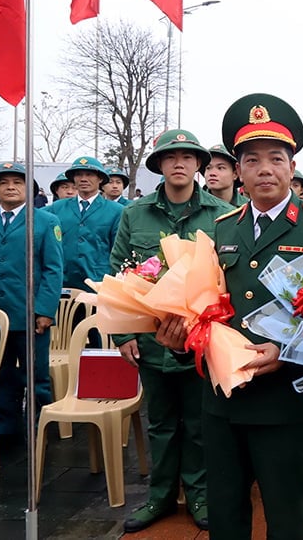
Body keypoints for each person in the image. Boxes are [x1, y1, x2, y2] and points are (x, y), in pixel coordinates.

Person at [155, 93, 303, 540]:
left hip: (288, 401)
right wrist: (180, 337)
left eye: (276, 158)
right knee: (225, 513)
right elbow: (206, 310)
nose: (265, 169)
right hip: (222, 402)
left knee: (286, 516)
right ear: (237, 171)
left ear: (292, 167)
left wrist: (289, 349)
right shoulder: (220, 230)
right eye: (252, 159)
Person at [110, 129, 232, 533]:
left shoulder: (221, 214)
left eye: (187, 156)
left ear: (199, 164)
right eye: (170, 156)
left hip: (201, 341)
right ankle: (160, 495)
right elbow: (119, 273)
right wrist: (123, 335)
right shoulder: (135, 213)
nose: (179, 163)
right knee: (160, 422)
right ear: (159, 165)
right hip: (151, 340)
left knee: (199, 424)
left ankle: (198, 494)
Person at [0, 162, 63, 455]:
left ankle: (40, 425)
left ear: (28, 189)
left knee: (36, 373)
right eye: (3, 182)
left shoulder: (45, 221)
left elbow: (53, 269)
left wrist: (45, 310)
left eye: (17, 182)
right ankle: (4, 430)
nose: (10, 187)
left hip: (29, 314)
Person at [47, 157, 123, 292]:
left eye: (89, 174)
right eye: (78, 175)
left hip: (98, 284)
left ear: (100, 179)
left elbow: (117, 251)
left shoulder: (116, 211)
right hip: (62, 283)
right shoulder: (56, 208)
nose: (83, 179)